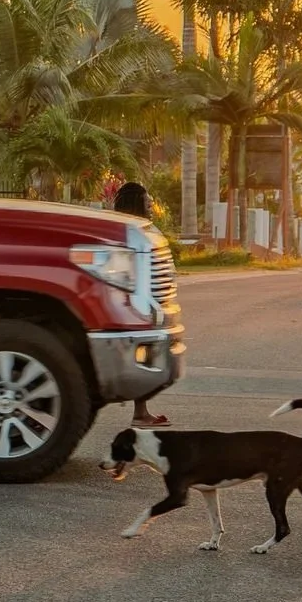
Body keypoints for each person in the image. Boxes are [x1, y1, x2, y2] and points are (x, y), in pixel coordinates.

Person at [109, 181, 171, 426]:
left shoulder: (136, 229)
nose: (151, 206)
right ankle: (141, 413)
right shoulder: (130, 232)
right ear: (137, 204)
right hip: (140, 305)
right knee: (145, 359)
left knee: (146, 358)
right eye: (147, 203)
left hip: (148, 303)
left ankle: (141, 411)